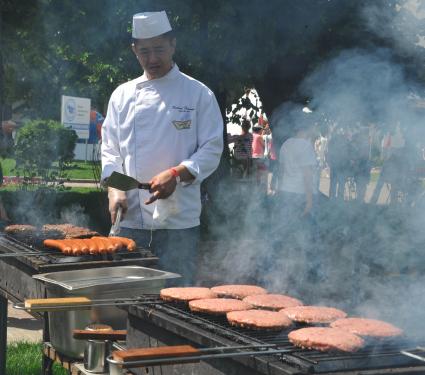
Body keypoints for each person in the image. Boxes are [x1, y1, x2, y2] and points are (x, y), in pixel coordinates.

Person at [101, 11, 223, 285]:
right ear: (134, 51)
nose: (152, 59)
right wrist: (115, 187)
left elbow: (212, 148)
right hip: (130, 218)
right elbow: (110, 149)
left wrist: (178, 173)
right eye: (144, 51)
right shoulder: (122, 95)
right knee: (130, 299)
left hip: (179, 221)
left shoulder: (198, 93)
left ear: (173, 45)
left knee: (177, 301)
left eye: (158, 49)